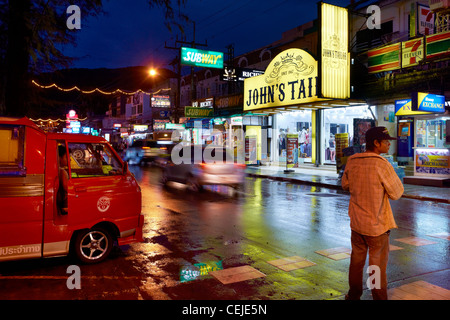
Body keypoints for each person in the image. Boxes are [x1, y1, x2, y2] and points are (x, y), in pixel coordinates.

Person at [341, 126, 404, 300]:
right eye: (385, 142)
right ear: (376, 143)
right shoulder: (382, 164)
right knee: (376, 266)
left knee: (356, 262)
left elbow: (345, 185)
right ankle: (378, 297)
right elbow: (397, 193)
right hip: (377, 227)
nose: (388, 145)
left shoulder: (352, 161)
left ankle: (353, 295)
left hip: (357, 224)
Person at [57, 144, 69, 214]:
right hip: (64, 204)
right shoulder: (62, 172)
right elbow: (66, 187)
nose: (69, 159)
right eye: (66, 157)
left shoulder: (57, 170)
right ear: (59, 158)